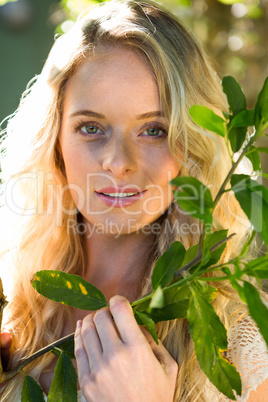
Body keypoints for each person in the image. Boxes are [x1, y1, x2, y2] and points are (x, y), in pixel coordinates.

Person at [0, 0, 267, 400]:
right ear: (55, 141)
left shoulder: (241, 345)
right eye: (91, 127)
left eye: (154, 130)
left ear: (192, 145)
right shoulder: (12, 300)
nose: (119, 162)